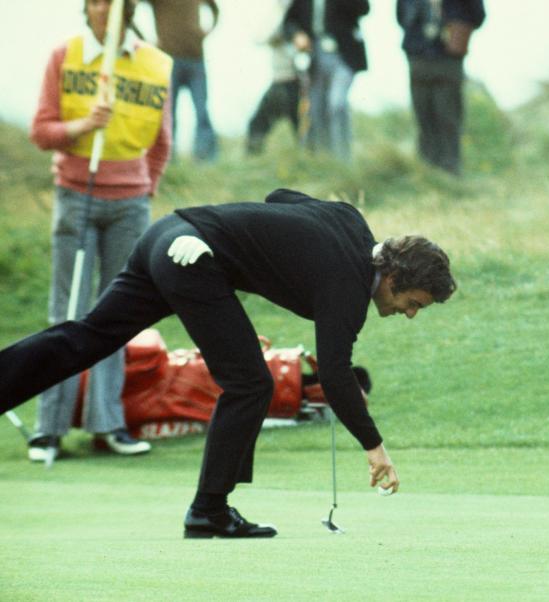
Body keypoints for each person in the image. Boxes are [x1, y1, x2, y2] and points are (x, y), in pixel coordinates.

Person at [0, 188, 457, 538]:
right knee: (251, 383)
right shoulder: (348, 287)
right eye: (414, 302)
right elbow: (336, 374)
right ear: (394, 276)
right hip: (192, 257)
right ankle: (209, 512)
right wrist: (375, 447)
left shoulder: (351, 223)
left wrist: (229, 290)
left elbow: (279, 200)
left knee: (87, 337)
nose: (411, 313)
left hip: (169, 233)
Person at [27, 0, 173, 462]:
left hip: (129, 203)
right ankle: (48, 427)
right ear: (86, 8)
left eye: (115, 2)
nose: (106, 10)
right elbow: (42, 130)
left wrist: (145, 186)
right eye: (97, 1)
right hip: (76, 194)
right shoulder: (64, 56)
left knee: (117, 315)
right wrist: (84, 124)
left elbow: (161, 140)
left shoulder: (152, 61)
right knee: (66, 309)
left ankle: (106, 424)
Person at [396, 0, 486, 176]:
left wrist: (455, 23)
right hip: (418, 56)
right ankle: (427, 172)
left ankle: (450, 171)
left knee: (448, 116)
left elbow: (478, 16)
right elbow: (401, 17)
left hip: (448, 56)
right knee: (423, 117)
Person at [283, 0, 370, 162]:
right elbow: (289, 21)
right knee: (315, 109)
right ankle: (323, 161)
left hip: (343, 54)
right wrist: (297, 35)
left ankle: (344, 161)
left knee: (337, 103)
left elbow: (363, 8)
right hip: (314, 54)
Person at [141, 0, 219, 161]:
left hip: (196, 59)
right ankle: (168, 160)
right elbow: (130, 7)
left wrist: (208, 30)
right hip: (169, 62)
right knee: (169, 114)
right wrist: (144, 40)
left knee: (202, 111)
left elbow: (214, 8)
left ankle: (206, 160)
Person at [246, 0, 305, 155]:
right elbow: (258, 38)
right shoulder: (281, 12)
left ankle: (309, 161)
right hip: (280, 81)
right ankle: (254, 163)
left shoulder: (298, 12)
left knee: (301, 128)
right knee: (258, 124)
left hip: (293, 81)